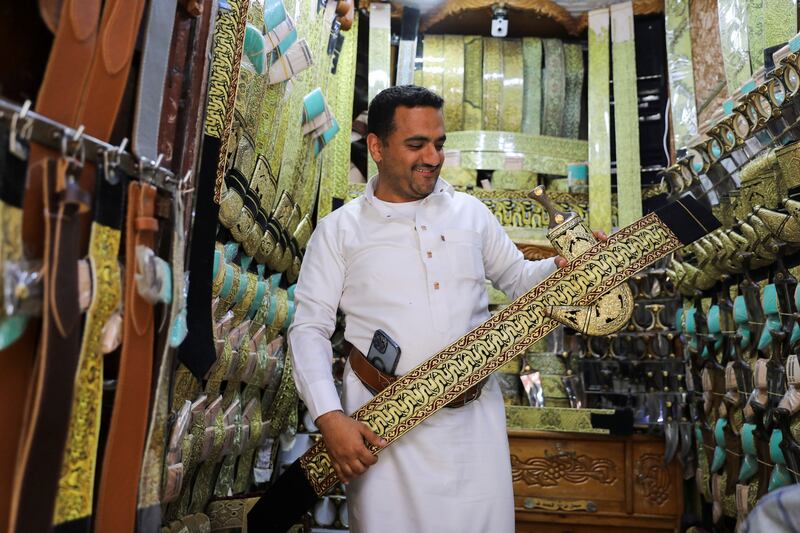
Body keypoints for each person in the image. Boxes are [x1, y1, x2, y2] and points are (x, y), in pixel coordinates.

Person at [289, 85, 604, 532]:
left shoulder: (470, 214)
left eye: (439, 144)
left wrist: (566, 266)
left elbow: (519, 280)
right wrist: (330, 417)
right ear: (376, 147)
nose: (433, 157)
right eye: (416, 144)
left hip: (476, 429)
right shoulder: (340, 231)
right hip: (386, 431)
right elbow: (308, 330)